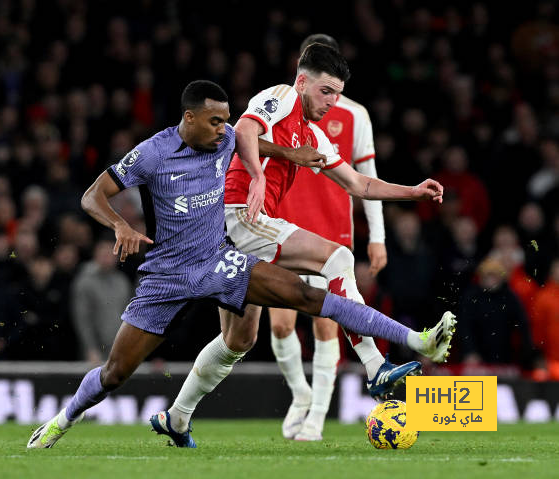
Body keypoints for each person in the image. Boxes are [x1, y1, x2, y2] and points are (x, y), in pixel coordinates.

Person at [27, 80, 455, 450]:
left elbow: (253, 141)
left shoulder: (225, 136)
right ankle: (62, 420)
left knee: (307, 294)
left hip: (218, 260)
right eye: (214, 121)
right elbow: (91, 196)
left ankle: (413, 341)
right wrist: (120, 225)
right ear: (189, 118)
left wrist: (291, 155)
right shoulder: (152, 153)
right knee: (115, 373)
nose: (223, 129)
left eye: (226, 120)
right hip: (167, 276)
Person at [159, 44, 454, 446]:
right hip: (235, 214)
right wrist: (258, 177)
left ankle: (177, 417)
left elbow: (357, 183)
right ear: (302, 82)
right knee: (338, 258)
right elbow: (243, 130)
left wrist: (413, 193)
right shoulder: (279, 97)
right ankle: (374, 364)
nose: (332, 102)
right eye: (326, 91)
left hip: (241, 229)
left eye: (337, 94)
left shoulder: (312, 134)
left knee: (238, 341)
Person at [267, 33, 411, 441]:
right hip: (284, 224)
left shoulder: (355, 116)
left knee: (327, 326)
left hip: (331, 228)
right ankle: (300, 394)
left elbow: (367, 179)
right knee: (280, 326)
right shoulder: (283, 109)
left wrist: (377, 237)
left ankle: (316, 418)